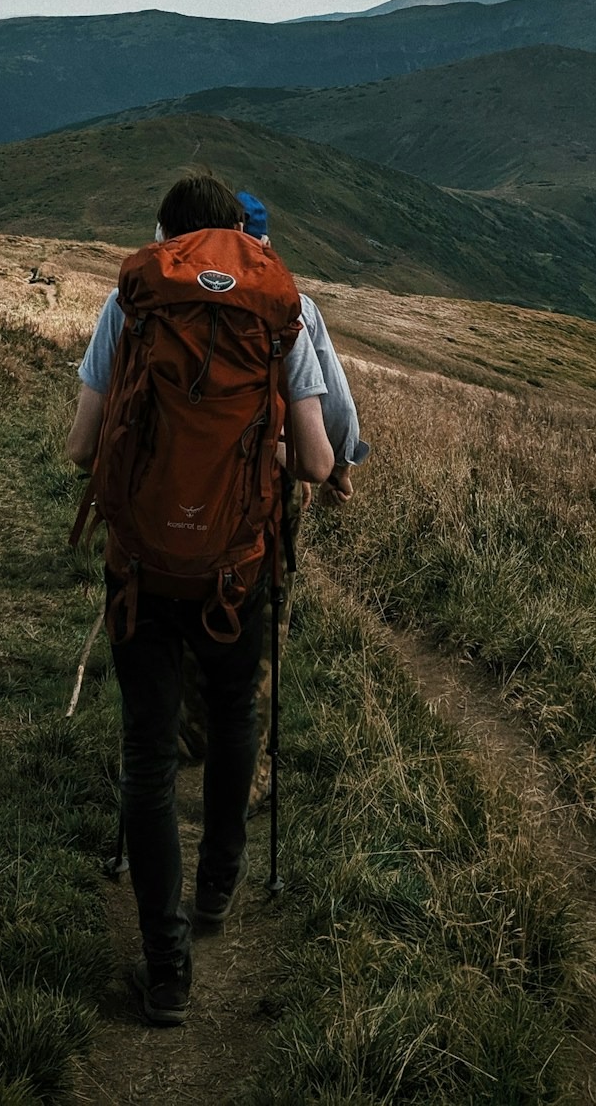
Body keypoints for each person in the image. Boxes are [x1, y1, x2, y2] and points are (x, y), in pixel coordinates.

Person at [66, 173, 335, 1027]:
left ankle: (166, 963)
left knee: (149, 755)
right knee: (230, 719)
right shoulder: (274, 311)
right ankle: (218, 886)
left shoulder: (134, 303)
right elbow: (320, 464)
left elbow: (81, 447)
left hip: (143, 570)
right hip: (235, 569)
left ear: (166, 236)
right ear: (239, 239)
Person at [178, 189, 369, 797]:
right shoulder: (291, 306)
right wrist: (339, 468)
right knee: (260, 621)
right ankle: (250, 770)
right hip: (262, 488)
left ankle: (192, 726)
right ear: (260, 240)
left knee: (179, 595)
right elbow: (335, 416)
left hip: (176, 490)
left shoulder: (152, 302)